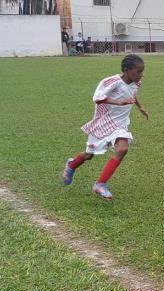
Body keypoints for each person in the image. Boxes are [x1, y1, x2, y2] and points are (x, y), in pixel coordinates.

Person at [62, 54, 149, 200]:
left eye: (142, 71)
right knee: (89, 155)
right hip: (103, 123)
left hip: (120, 125)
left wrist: (140, 107)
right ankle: (72, 165)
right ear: (126, 70)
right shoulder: (112, 82)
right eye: (138, 71)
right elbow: (97, 98)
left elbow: (132, 94)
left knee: (122, 149)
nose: (141, 75)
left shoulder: (136, 83)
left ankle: (100, 184)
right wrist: (118, 102)